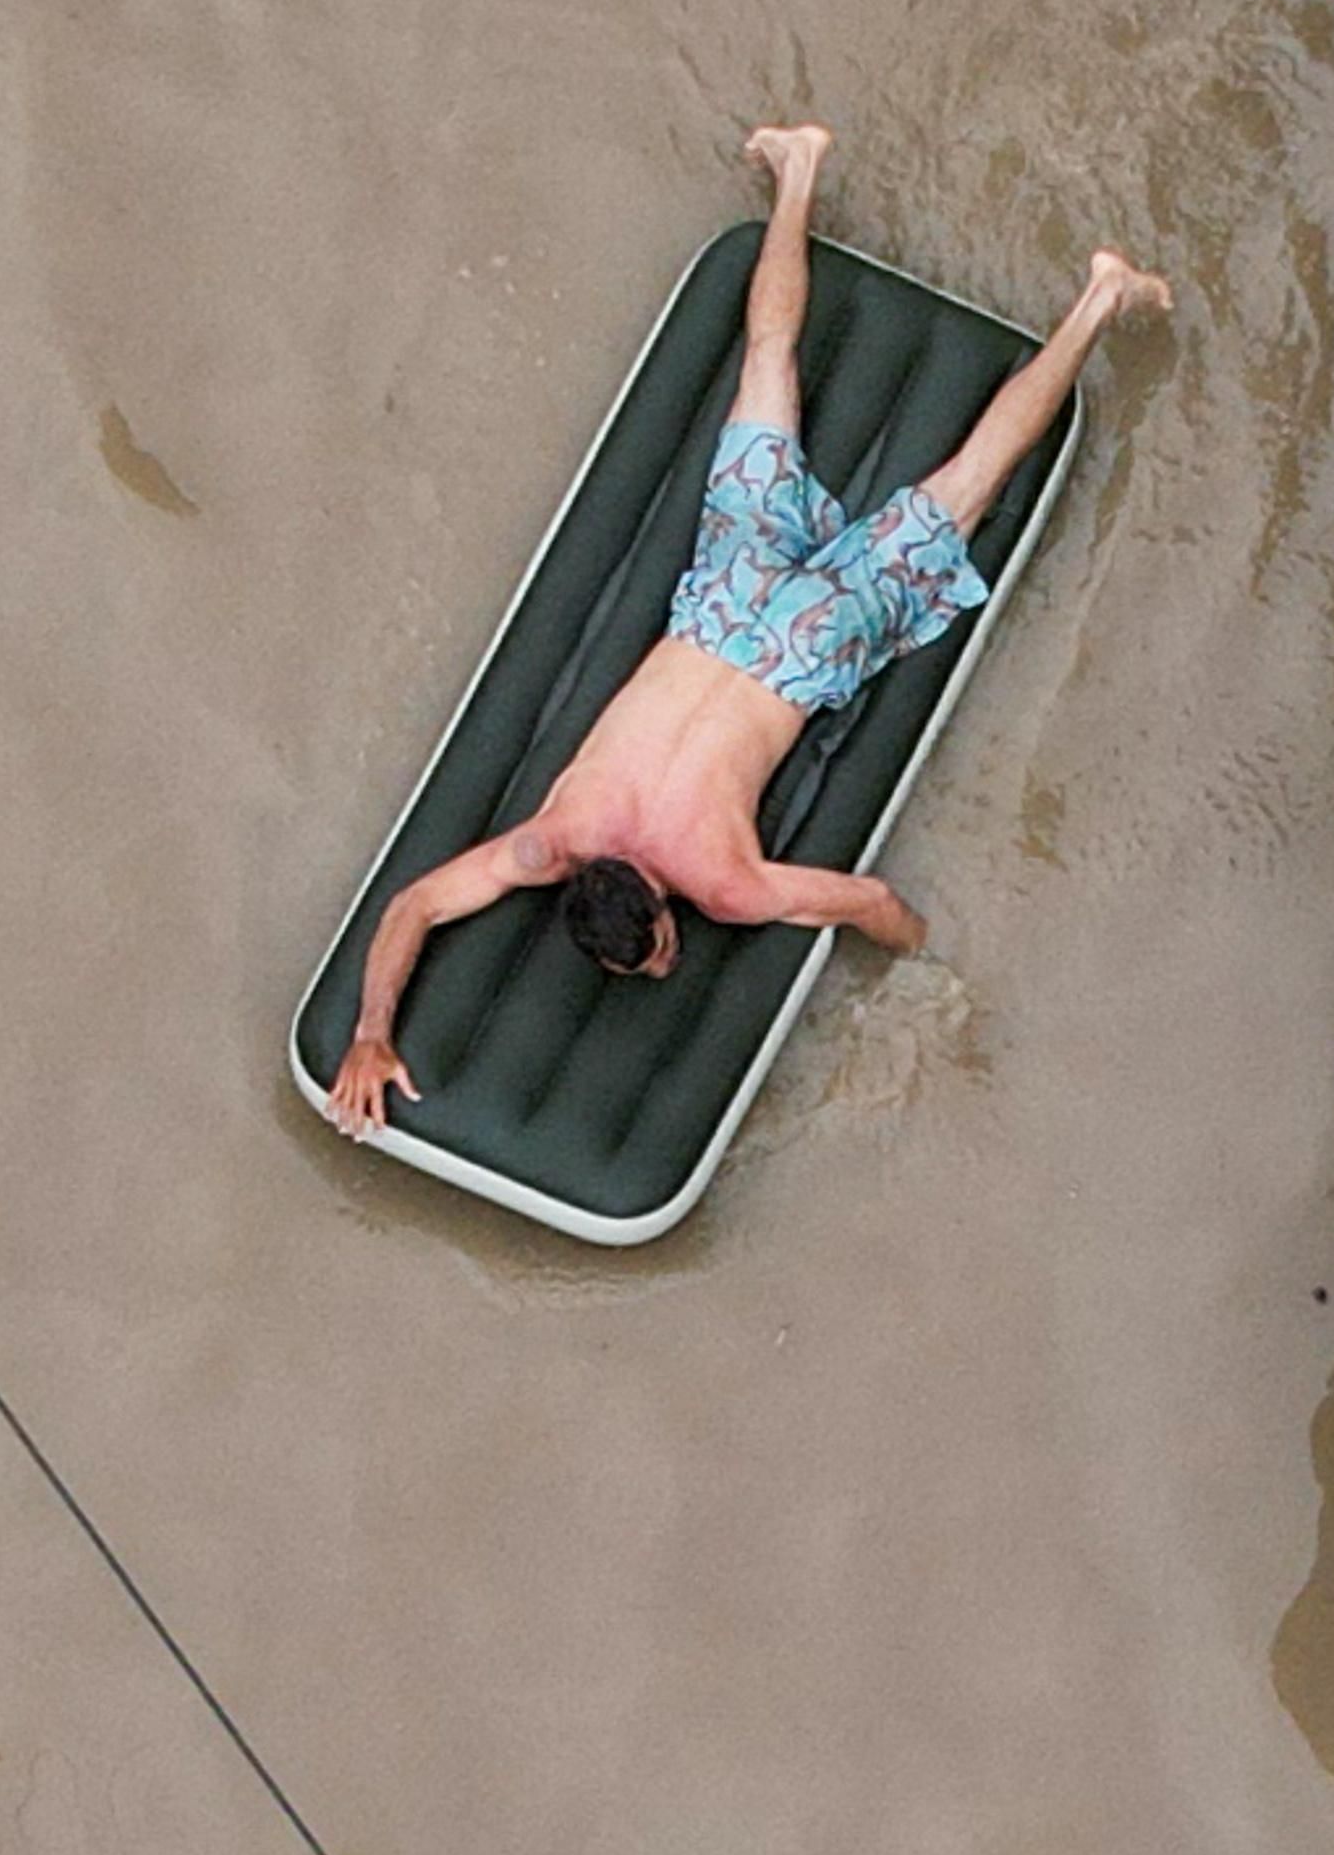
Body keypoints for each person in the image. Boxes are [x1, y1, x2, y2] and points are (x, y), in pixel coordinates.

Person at [317, 125, 1162, 1137]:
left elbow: (868, 900)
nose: (666, 964)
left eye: (655, 949)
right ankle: (799, 165)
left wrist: (922, 960)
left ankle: (1101, 296)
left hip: (806, 646)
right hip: (721, 599)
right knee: (766, 371)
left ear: (662, 906)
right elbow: (411, 906)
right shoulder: (550, 839)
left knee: (965, 486)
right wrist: (370, 1028)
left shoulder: (721, 879)